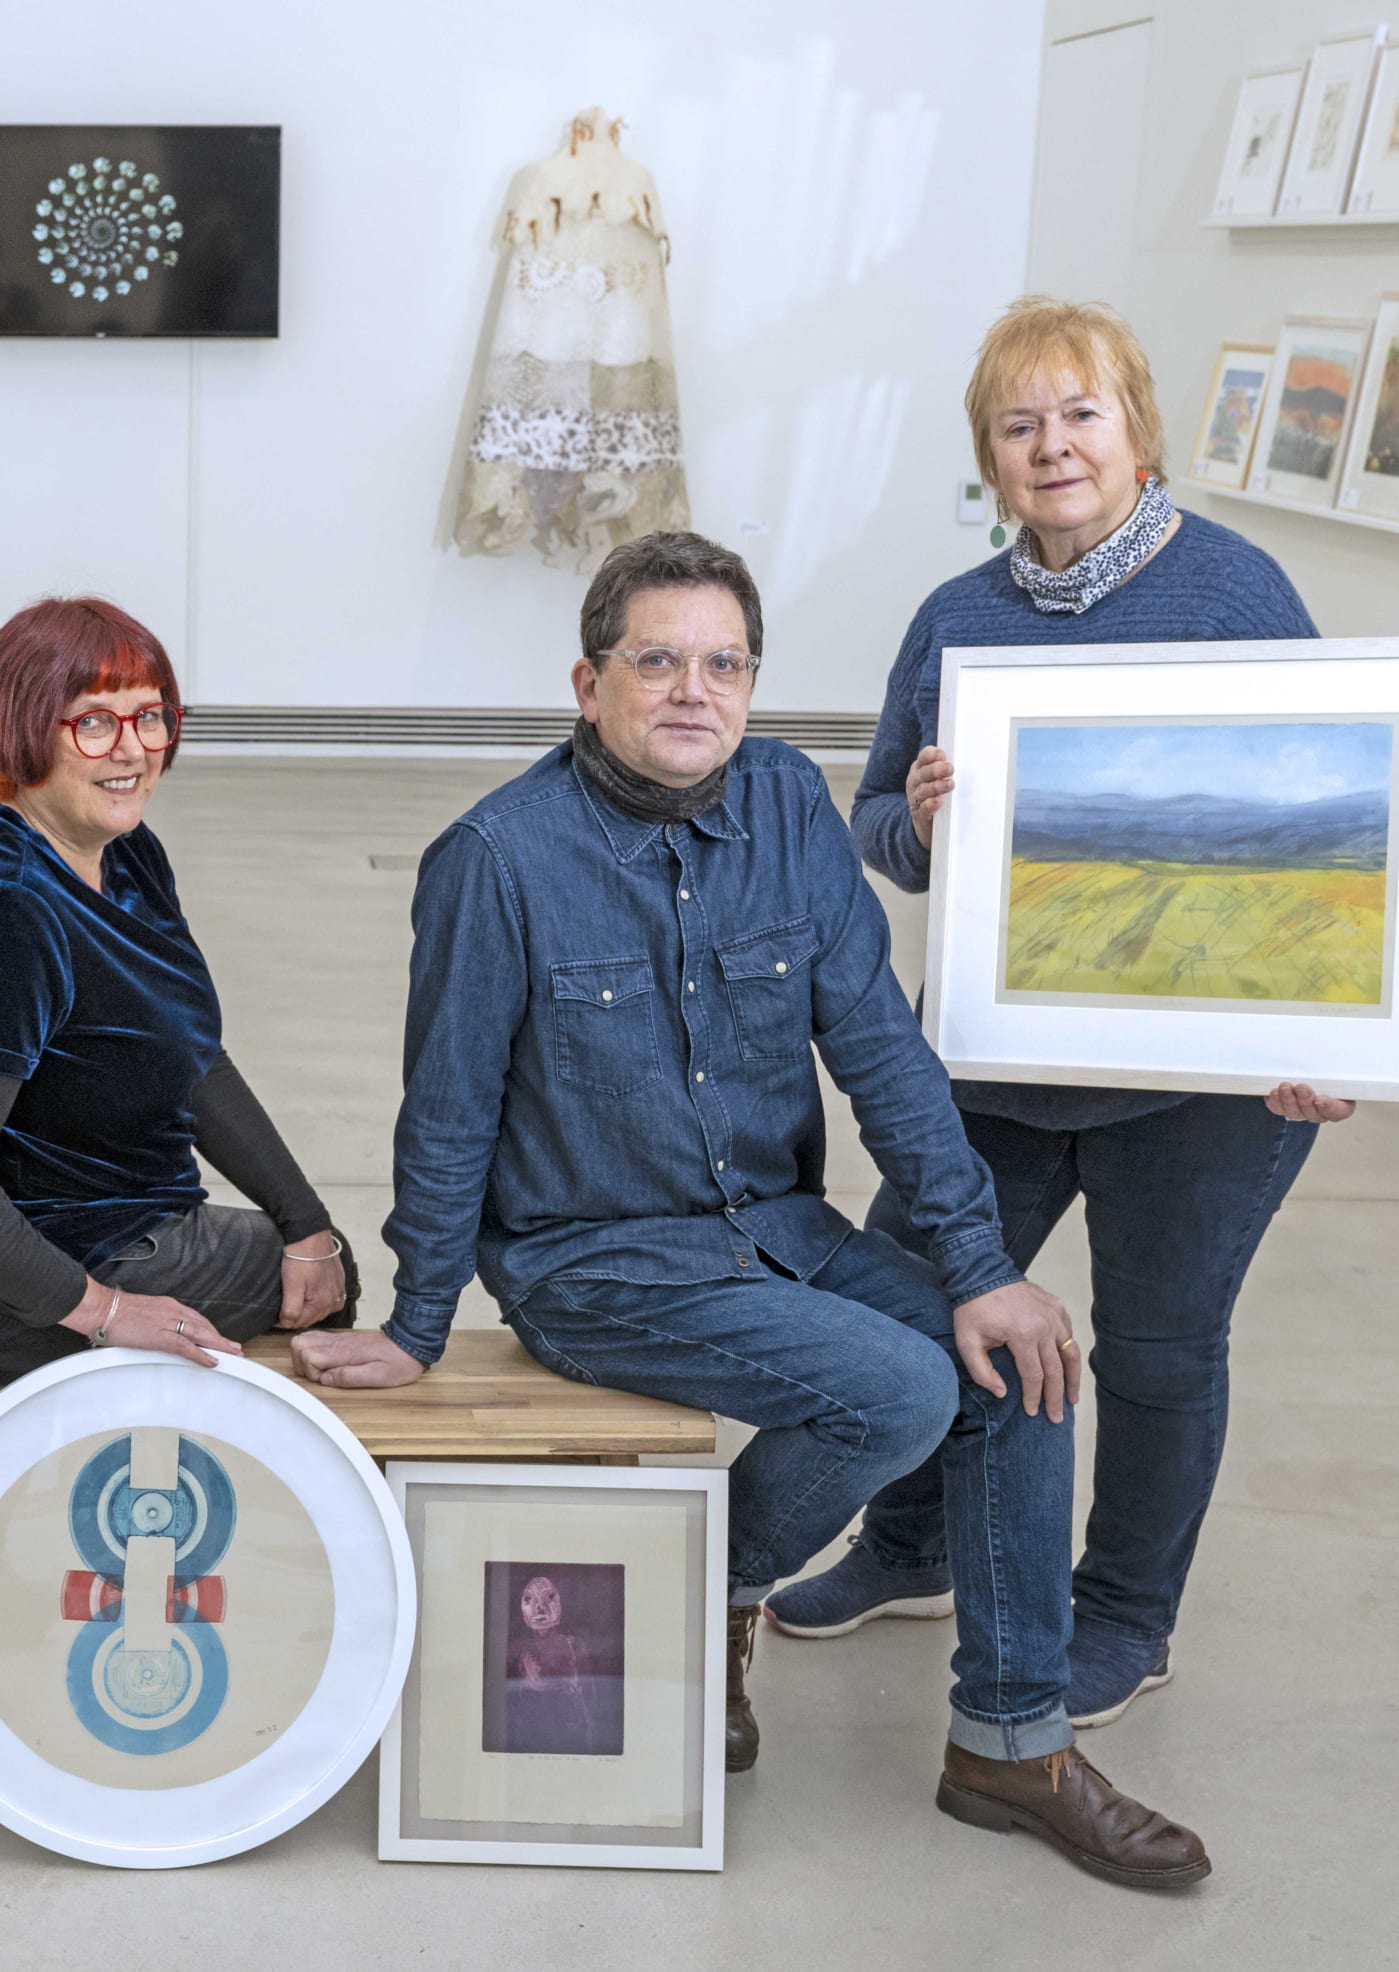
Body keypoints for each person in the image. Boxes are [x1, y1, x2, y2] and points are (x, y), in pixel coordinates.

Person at [296, 531, 1211, 1889]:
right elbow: (447, 1113)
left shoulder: (789, 805)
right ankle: (706, 1591)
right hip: (591, 1256)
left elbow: (883, 1055)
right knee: (901, 1392)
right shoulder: (496, 858)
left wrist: (978, 1263)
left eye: (724, 663)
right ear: (587, 681)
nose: (692, 691)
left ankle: (1010, 1746)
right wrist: (420, 1320)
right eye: (655, 660)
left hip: (776, 1230)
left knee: (1016, 1362)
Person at [763, 297, 1352, 1729]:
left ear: (1137, 430)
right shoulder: (957, 619)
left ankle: (1126, 1619)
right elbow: (877, 836)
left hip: (1197, 1088)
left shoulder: (1238, 596)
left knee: (1157, 1353)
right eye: (1019, 425)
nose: (1053, 446)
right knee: (916, 1319)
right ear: (991, 456)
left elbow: (1332, 835)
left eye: (1080, 414)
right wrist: (917, 820)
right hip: (992, 1058)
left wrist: (1324, 1034)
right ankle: (907, 1552)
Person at [0, 597, 353, 1384]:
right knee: (316, 1286)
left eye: (149, 717)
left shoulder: (122, 852)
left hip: (101, 1220)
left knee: (312, 1258)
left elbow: (189, 1057)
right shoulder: (5, 913)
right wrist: (107, 1312)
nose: (133, 750)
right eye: (93, 723)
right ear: (21, 730)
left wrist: (306, 1221)